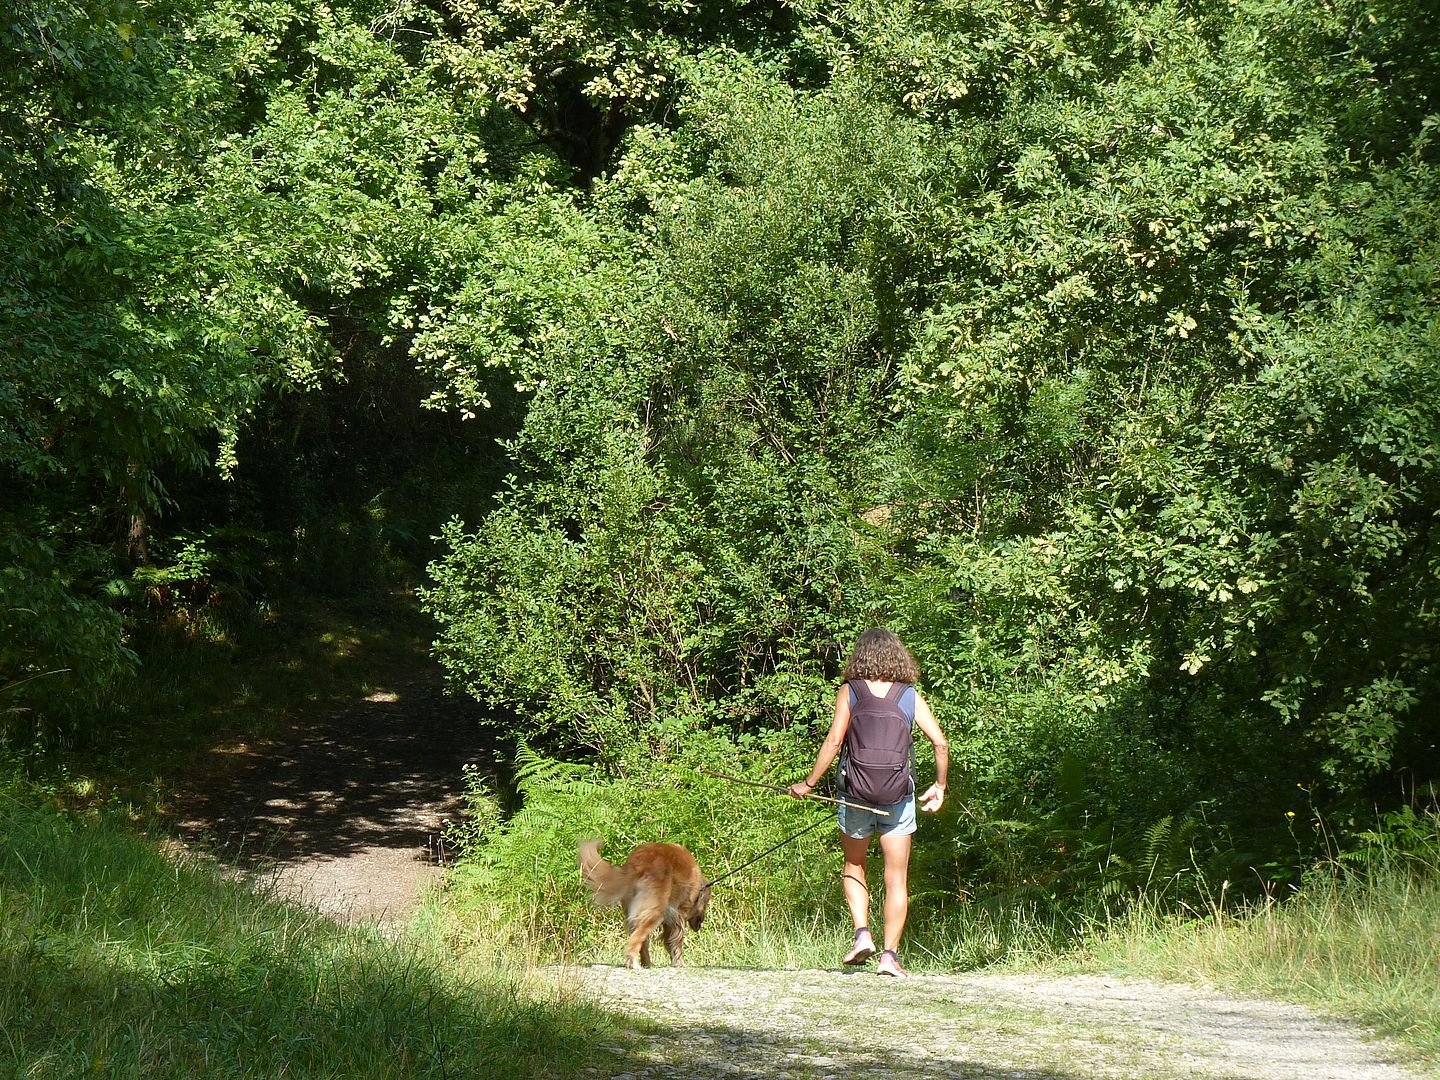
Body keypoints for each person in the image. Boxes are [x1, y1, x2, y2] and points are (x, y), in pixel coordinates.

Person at [789, 628, 948, 978]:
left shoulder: (851, 691)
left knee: (854, 865)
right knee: (896, 879)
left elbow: (834, 742)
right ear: (898, 657)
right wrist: (939, 786)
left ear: (859, 656)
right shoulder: (909, 695)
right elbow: (940, 744)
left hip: (855, 794)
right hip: (897, 796)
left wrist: (809, 783)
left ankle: (862, 933)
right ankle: (889, 957)